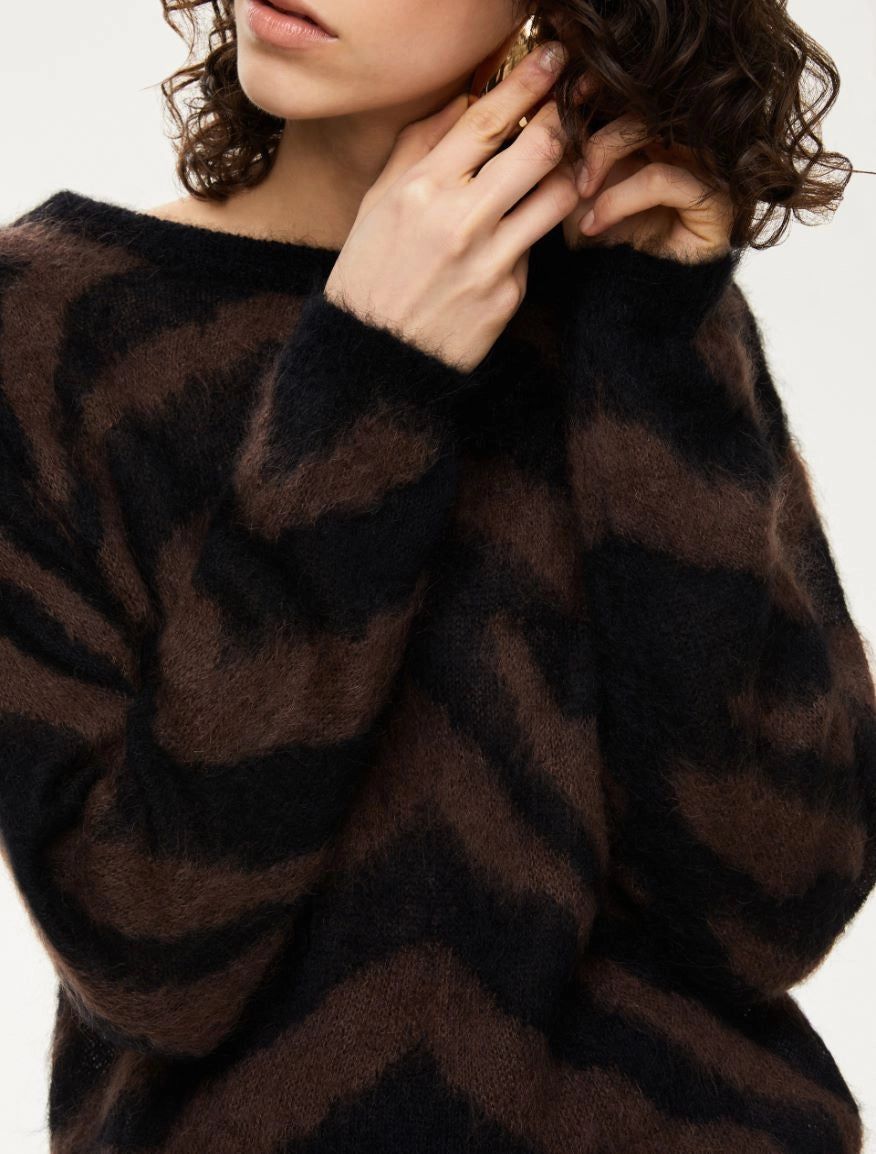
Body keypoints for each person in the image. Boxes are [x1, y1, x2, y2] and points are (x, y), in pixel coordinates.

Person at [1, 1, 874, 1151]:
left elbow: (778, 901)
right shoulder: (46, 329)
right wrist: (370, 374)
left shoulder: (635, 302)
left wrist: (662, 340)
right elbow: (152, 959)